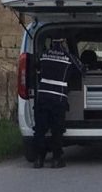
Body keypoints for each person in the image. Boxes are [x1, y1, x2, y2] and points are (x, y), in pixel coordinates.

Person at [33, 38, 83, 169]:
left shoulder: (44, 55)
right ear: (64, 43)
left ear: (51, 43)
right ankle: (56, 159)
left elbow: (37, 67)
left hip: (43, 96)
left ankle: (39, 159)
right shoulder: (68, 57)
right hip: (58, 98)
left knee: (40, 128)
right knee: (57, 129)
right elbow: (80, 70)